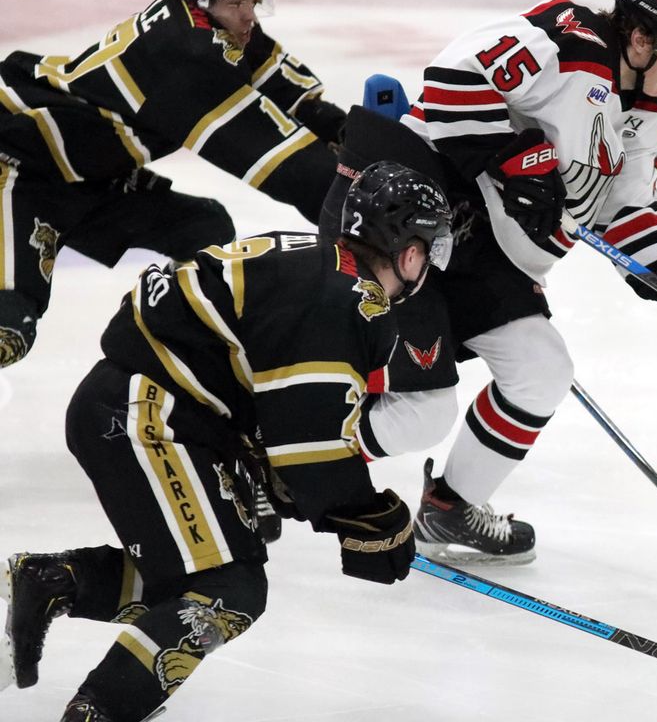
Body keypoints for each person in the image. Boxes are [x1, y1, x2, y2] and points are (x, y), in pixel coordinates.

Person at [321, 0, 657, 565]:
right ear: (642, 38)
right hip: (405, 216)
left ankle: (450, 508)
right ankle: (285, 459)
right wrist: (514, 155)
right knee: (417, 402)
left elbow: (624, 213)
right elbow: (452, 81)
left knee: (542, 370)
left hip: (486, 250)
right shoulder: (568, 39)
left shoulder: (649, 115)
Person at [0, 162, 453, 722]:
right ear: (409, 251)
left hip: (147, 405)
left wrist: (293, 481)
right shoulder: (343, 298)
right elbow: (309, 446)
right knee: (227, 587)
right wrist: (367, 518)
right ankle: (101, 710)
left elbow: (279, 411)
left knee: (205, 572)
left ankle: (57, 581)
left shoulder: (314, 261)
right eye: (430, 248)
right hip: (150, 415)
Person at [0, 0, 348, 368]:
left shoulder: (208, 26)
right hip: (16, 166)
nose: (248, 16)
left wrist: (348, 131)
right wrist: (362, 213)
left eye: (254, 1)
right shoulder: (185, 56)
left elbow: (282, 85)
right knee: (9, 327)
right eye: (237, 2)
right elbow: (288, 167)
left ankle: (172, 356)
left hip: (83, 176)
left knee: (203, 229)